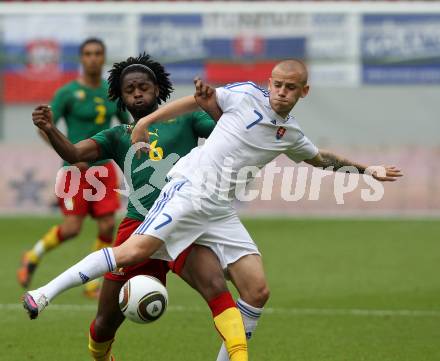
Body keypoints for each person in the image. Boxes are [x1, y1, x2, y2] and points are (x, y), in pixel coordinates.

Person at [23, 59, 402, 359]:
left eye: (290, 87)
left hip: (218, 209)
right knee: (126, 271)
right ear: (269, 83)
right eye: (277, 84)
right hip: (186, 192)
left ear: (304, 91)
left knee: (257, 290)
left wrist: (368, 170)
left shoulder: (291, 134)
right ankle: (45, 292)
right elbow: (203, 103)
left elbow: (320, 159)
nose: (282, 92)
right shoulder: (244, 94)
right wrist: (154, 119)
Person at [26, 53, 252, 361]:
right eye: (129, 89)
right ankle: (103, 356)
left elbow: (225, 132)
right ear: (120, 97)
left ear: (157, 90)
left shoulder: (187, 119)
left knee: (215, 287)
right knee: (106, 322)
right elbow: (75, 153)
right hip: (139, 226)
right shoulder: (118, 135)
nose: (136, 92)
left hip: (183, 223)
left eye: (143, 86)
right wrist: (51, 129)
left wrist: (217, 108)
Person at [17, 38, 129, 298]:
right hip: (72, 172)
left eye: (98, 53)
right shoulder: (67, 93)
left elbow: (126, 126)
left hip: (102, 171)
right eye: (88, 53)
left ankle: (91, 284)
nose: (93, 58)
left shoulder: (112, 92)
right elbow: (44, 128)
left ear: (103, 58)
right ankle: (33, 254)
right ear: (81, 58)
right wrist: (66, 152)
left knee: (106, 226)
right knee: (72, 229)